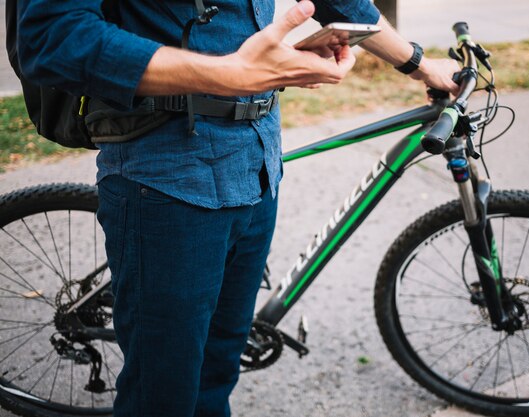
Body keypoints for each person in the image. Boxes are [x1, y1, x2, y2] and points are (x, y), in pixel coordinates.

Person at [17, 1, 459, 416]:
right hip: (169, 184)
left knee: (217, 374)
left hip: (256, 167)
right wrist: (228, 73)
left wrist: (420, 65)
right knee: (163, 394)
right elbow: (54, 37)